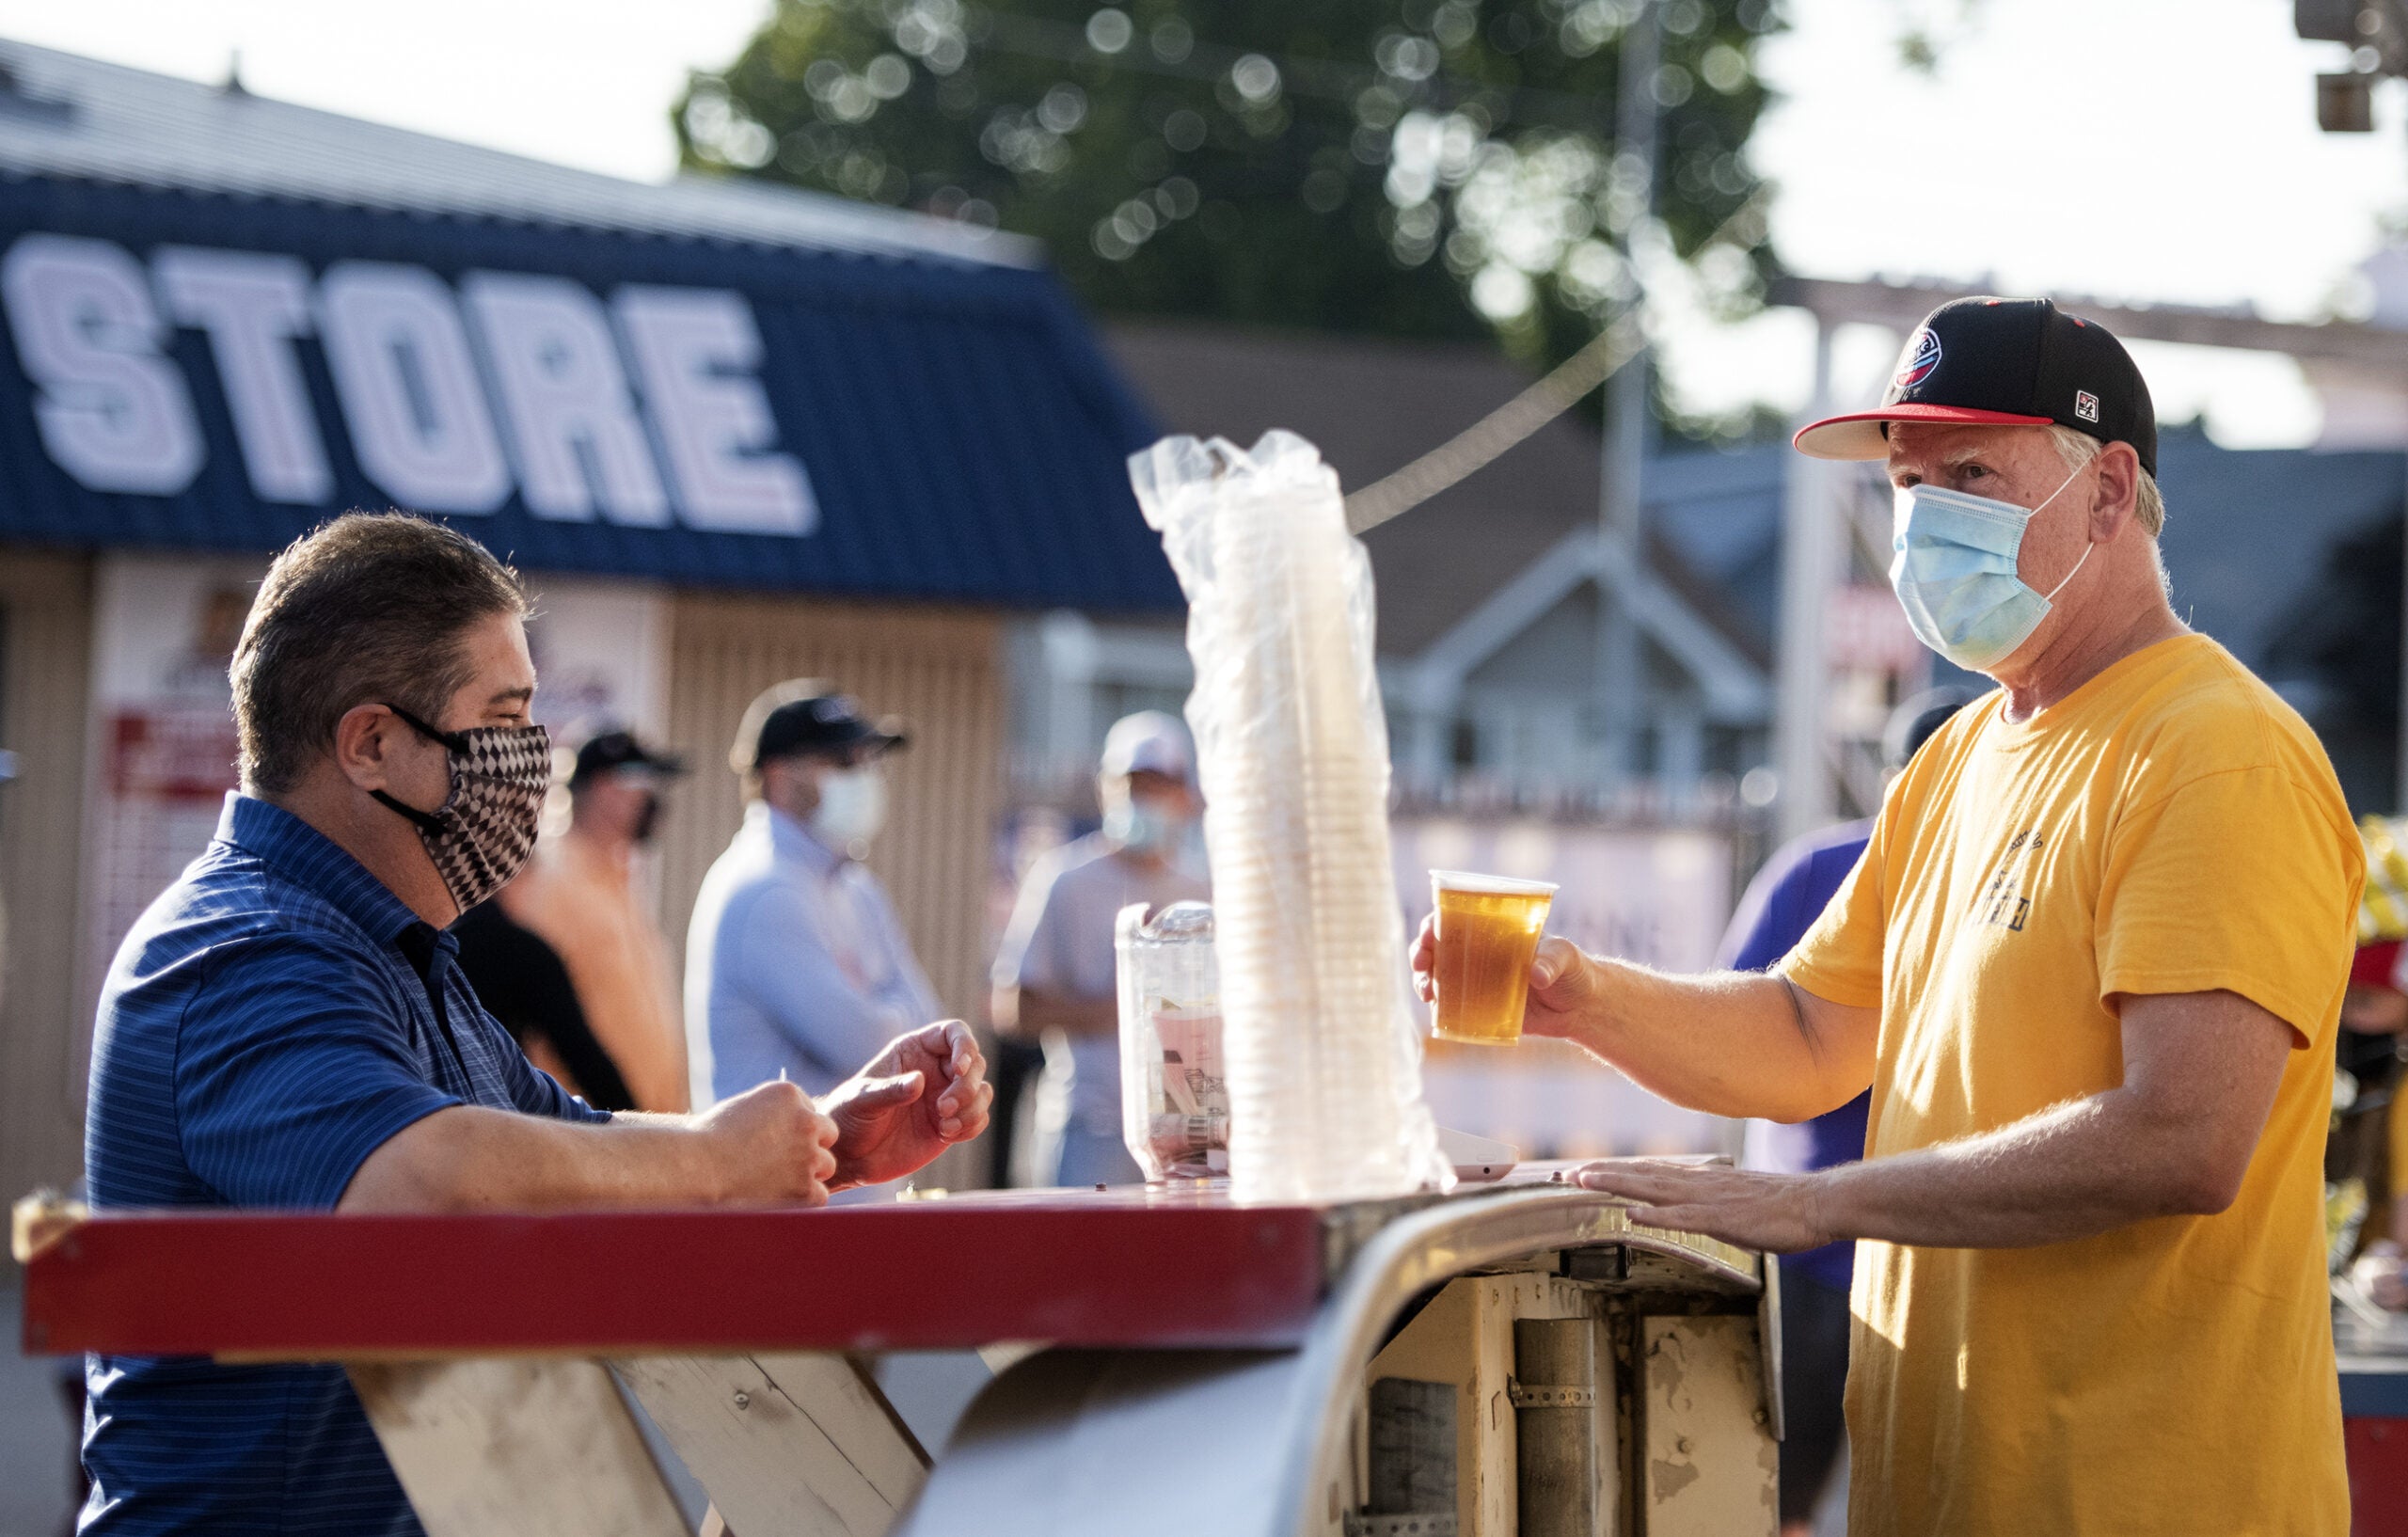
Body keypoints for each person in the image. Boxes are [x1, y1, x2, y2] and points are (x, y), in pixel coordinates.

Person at [1413, 298, 2362, 1535]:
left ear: (2112, 492)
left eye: (1972, 471)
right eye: (1912, 483)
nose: (1927, 521)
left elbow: (2183, 1136)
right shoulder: (1961, 756)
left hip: (2144, 1497)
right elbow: (1811, 1035)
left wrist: (1818, 1203)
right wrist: (1585, 997)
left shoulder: (2217, 755)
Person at [80, 514, 991, 1537]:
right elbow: (412, 1179)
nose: (534, 758)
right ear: (372, 743)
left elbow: (574, 1142)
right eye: (507, 716)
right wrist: (712, 1154)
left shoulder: (396, 948)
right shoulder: (239, 950)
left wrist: (815, 1141)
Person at [1715, 685, 1972, 1536]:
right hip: (1813, 1245)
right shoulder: (1822, 872)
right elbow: (1729, 1025)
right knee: (1778, 1496)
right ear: (1892, 783)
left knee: (1935, 1498)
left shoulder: (2019, 890)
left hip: (1950, 1245)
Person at [687, 680, 940, 1105]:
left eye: (868, 759)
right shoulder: (765, 888)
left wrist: (890, 1020)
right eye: (843, 761)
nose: (865, 775)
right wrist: (892, 1016)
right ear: (779, 774)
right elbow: (867, 1044)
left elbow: (930, 1026)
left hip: (840, 1170)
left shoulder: (855, 886)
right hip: (776, 1171)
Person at [992, 712, 1208, 1187]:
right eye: (1131, 785)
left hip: (1190, 1135)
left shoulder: (1206, 890)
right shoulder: (1064, 879)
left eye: (1157, 787)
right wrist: (1130, 1010)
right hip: (1090, 1129)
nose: (1142, 799)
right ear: (1105, 788)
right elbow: (1014, 1009)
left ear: (1184, 798)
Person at [453, 729, 689, 1112]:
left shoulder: (619, 879)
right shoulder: (552, 878)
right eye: (642, 781)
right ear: (602, 788)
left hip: (640, 1131)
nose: (653, 798)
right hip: (586, 1126)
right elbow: (528, 1007)